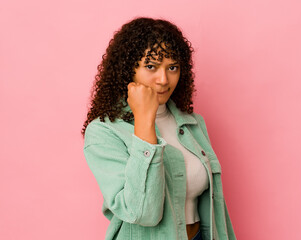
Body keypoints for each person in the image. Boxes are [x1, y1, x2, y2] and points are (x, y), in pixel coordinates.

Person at [81, 17, 236, 240]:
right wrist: (144, 118)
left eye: (172, 67)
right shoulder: (104, 132)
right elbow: (142, 213)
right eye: (151, 66)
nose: (164, 79)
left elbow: (216, 208)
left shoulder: (192, 123)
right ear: (128, 69)